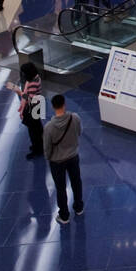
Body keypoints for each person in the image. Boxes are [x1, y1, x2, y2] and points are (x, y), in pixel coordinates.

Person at [43, 93, 83, 225]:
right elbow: (79, 132)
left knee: (60, 188)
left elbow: (47, 147)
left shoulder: (49, 127)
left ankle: (64, 215)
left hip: (57, 161)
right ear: (64, 104)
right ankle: (79, 207)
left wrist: (49, 157)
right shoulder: (75, 118)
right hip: (73, 157)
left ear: (53, 107)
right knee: (76, 182)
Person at [7, 61, 44, 160]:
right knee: (37, 127)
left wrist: (17, 90)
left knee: (33, 130)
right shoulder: (36, 77)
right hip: (37, 105)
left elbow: (29, 98)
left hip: (33, 107)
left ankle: (38, 149)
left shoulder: (32, 83)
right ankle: (40, 145)